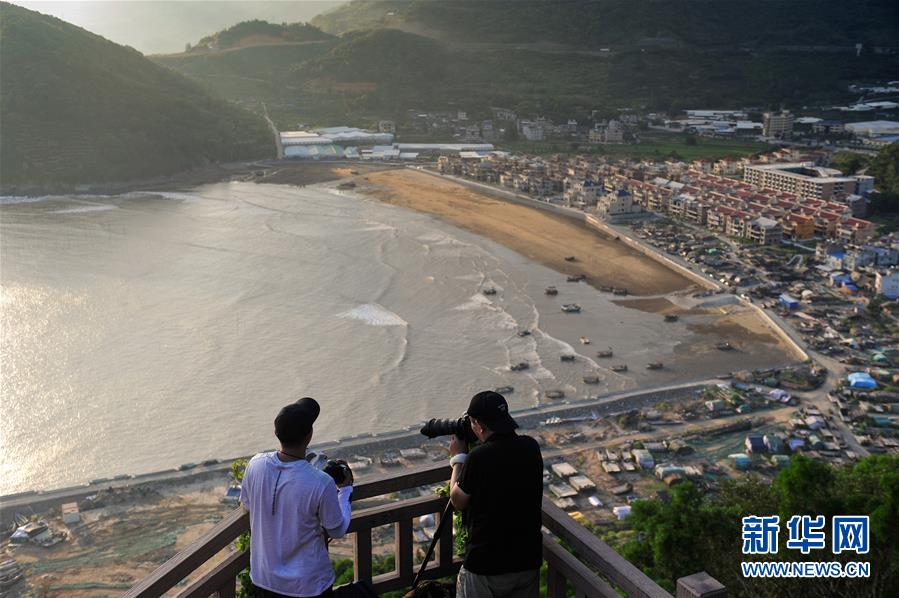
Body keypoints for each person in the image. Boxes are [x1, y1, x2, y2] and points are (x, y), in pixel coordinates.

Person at [240, 397, 353, 598]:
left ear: (276, 433)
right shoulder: (321, 482)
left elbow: (247, 505)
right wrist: (345, 492)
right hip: (308, 585)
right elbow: (336, 530)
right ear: (309, 436)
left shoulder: (255, 464)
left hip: (265, 579)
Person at [448, 391, 544, 598]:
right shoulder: (530, 446)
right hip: (527, 560)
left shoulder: (479, 457)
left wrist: (458, 458)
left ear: (479, 425)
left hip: (486, 564)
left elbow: (458, 500)